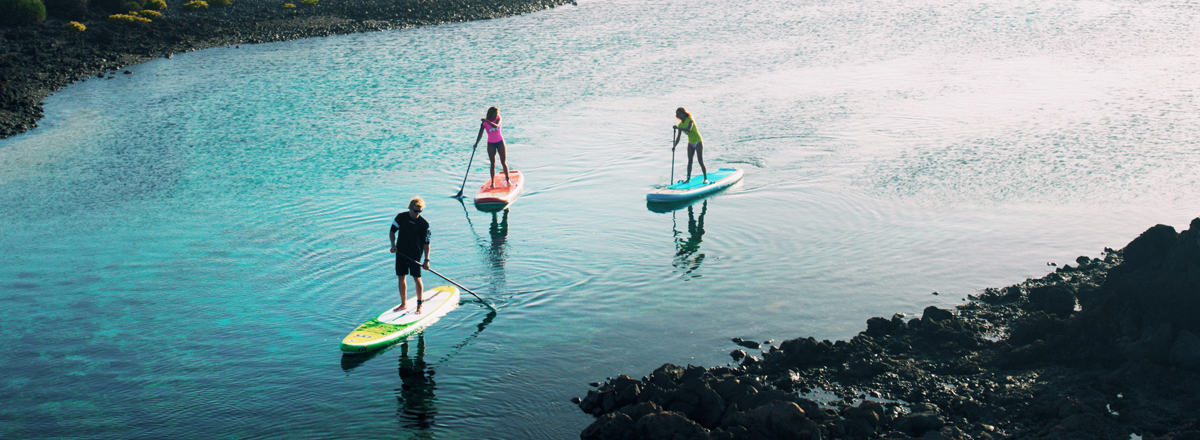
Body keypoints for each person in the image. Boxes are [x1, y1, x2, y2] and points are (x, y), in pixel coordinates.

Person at [390, 197, 431, 314]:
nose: (417, 214)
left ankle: (419, 305)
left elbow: (426, 243)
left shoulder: (424, 224)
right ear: (410, 208)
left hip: (415, 254)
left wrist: (426, 260)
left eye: (420, 212)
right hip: (401, 252)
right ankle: (403, 304)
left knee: (416, 278)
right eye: (415, 211)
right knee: (401, 277)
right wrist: (393, 245)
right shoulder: (400, 217)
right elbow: (392, 231)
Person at [474, 107, 510, 187]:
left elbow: (496, 126)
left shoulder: (498, 119)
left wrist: (487, 121)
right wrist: (476, 143)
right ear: (490, 114)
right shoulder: (484, 124)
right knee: (492, 163)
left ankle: (507, 180)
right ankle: (492, 182)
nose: (496, 115)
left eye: (497, 113)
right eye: (495, 113)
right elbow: (480, 134)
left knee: (503, 162)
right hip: (491, 144)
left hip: (500, 142)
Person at [673, 107, 708, 183]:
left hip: (698, 141)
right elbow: (678, 137)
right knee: (690, 161)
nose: (678, 115)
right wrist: (674, 146)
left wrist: (678, 128)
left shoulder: (690, 120)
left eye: (679, 114)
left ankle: (705, 178)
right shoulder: (680, 125)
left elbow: (689, 129)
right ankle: (688, 179)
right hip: (690, 143)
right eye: (677, 114)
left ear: (683, 113)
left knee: (700, 161)